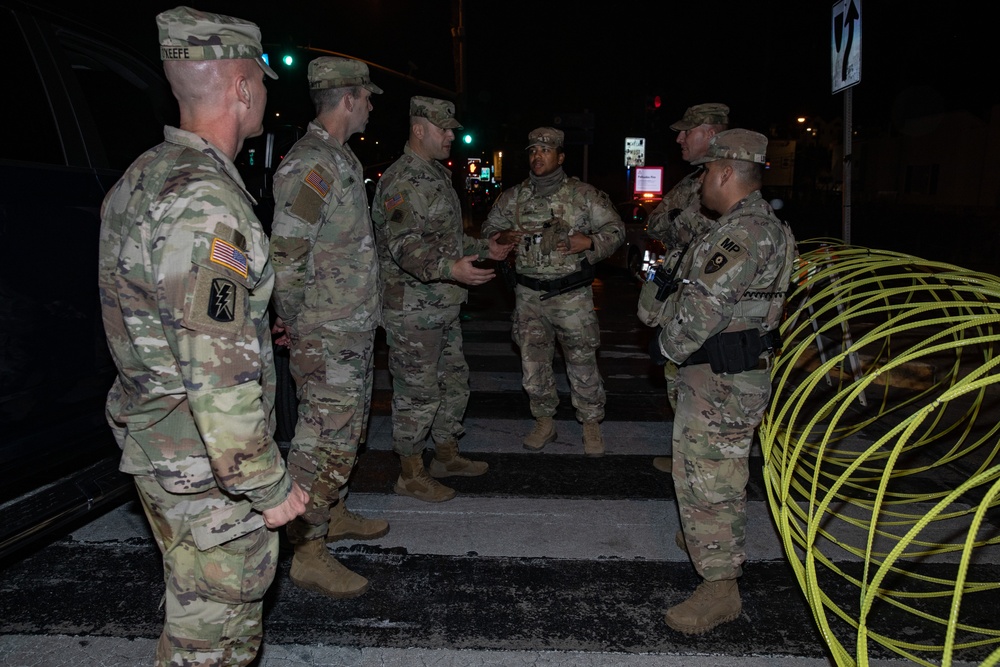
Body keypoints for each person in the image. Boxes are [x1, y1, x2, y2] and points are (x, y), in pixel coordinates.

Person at [98, 7, 308, 665]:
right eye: (263, 84)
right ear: (243, 88)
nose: (265, 97)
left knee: (199, 621)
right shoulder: (207, 200)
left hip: (159, 438)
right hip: (204, 463)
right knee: (211, 643)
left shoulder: (142, 177)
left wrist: (248, 317)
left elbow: (158, 311)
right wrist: (269, 484)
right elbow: (218, 374)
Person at [646, 129, 796, 634]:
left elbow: (701, 309)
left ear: (728, 173)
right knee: (707, 474)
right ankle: (706, 542)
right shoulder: (748, 224)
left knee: (712, 480)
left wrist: (665, 346)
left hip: (722, 379)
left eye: (708, 171)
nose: (703, 180)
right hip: (723, 374)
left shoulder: (744, 232)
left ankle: (720, 588)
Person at [269, 56, 386, 599]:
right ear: (347, 99)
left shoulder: (338, 160)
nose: (369, 107)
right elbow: (288, 254)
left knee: (346, 432)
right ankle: (307, 550)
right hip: (327, 331)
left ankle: (330, 513)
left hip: (350, 329)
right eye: (366, 98)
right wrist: (295, 322)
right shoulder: (312, 165)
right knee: (322, 440)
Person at [371, 97, 513, 502]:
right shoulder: (402, 180)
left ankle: (445, 455)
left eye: (452, 128)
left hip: (441, 303)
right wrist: (452, 269)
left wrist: (483, 245)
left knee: (452, 382)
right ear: (419, 129)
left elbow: (444, 241)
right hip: (413, 308)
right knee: (418, 391)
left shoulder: (435, 174)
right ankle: (410, 472)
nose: (452, 135)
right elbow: (405, 247)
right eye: (444, 128)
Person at [482, 127, 624, 456]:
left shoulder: (584, 195)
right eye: (532, 150)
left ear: (559, 157)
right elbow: (489, 228)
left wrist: (588, 242)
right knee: (533, 364)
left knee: (582, 362)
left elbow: (615, 230)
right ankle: (544, 420)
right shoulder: (513, 197)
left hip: (571, 295)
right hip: (528, 295)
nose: (537, 156)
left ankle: (590, 424)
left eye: (545, 151)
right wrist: (503, 236)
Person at [645, 103, 729, 474]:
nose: (679, 138)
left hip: (712, 302)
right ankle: (686, 454)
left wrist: (681, 223)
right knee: (679, 382)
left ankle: (705, 467)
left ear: (710, 134)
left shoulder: (728, 180)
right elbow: (655, 225)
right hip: (683, 299)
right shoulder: (690, 182)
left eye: (686, 132)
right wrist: (681, 221)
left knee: (711, 386)